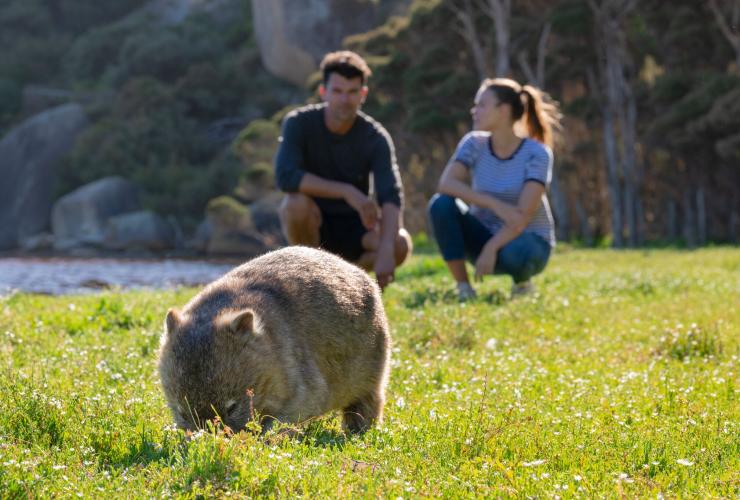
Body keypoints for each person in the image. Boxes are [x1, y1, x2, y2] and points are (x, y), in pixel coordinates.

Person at [275, 50, 411, 290]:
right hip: (313, 222)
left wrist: (387, 249)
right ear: (323, 91)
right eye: (337, 91)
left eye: (352, 92)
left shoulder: (375, 137)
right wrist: (347, 191)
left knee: (399, 242)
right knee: (294, 204)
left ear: (363, 94)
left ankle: (343, 284)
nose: (345, 99)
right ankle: (311, 279)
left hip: (357, 226)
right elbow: (286, 176)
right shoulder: (298, 123)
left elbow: (391, 195)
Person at [428, 77, 561, 300]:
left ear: (503, 110)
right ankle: (464, 289)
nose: (474, 111)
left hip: (527, 240)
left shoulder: (537, 154)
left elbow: (521, 218)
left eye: (481, 105)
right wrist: (492, 203)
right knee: (441, 204)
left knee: (515, 253)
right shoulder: (473, 143)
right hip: (484, 233)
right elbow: (446, 184)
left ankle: (522, 282)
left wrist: (491, 248)